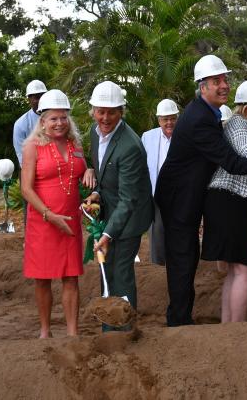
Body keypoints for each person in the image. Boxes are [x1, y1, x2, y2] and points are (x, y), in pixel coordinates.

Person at [154, 54, 247, 327]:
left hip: (191, 196)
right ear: (202, 87)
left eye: (225, 79)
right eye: (216, 81)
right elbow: (234, 161)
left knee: (187, 258)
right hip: (179, 198)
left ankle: (183, 319)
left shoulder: (209, 114)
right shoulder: (201, 118)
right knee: (182, 259)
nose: (223, 85)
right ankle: (178, 323)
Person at [83, 81, 153, 330]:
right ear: (93, 111)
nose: (105, 117)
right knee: (106, 271)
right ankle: (108, 328)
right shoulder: (94, 132)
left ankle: (124, 331)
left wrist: (107, 234)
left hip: (130, 217)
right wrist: (96, 194)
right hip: (111, 211)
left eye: (111, 111)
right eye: (100, 111)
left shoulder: (130, 146)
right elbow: (104, 176)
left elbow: (128, 199)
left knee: (121, 274)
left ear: (121, 112)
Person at [203, 80, 247, 322]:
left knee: (236, 269)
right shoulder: (238, 124)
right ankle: (237, 328)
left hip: (233, 203)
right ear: (242, 106)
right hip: (230, 202)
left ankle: (229, 326)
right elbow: (246, 151)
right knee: (244, 268)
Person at [20, 89, 86, 338]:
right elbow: (25, 189)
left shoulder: (75, 145)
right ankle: (45, 332)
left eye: (63, 117)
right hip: (43, 222)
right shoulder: (32, 147)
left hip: (70, 220)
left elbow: (81, 173)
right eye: (53, 118)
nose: (59, 123)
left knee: (71, 277)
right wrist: (49, 215)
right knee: (43, 278)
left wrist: (88, 173)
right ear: (42, 121)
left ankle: (72, 332)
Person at [141, 99, 178, 265]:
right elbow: (141, 165)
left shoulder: (185, 135)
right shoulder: (148, 137)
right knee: (156, 232)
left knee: (178, 231)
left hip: (179, 195)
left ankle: (177, 261)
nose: (169, 122)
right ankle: (158, 266)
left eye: (172, 118)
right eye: (165, 119)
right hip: (155, 193)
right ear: (159, 120)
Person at [13, 80, 47, 229]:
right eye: (34, 97)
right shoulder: (21, 124)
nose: (38, 100)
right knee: (31, 206)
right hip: (29, 170)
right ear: (29, 99)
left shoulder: (56, 118)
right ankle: (30, 236)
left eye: (41, 96)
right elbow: (21, 154)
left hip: (53, 168)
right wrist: (34, 172)